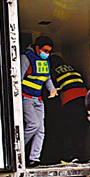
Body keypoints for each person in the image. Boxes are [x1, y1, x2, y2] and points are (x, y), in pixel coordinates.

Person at [48, 55, 90, 163]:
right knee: (79, 129)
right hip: (84, 100)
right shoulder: (72, 69)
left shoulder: (53, 72)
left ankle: (70, 156)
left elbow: (53, 90)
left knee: (66, 129)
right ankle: (78, 155)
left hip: (70, 101)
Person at [20, 36, 59, 167]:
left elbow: (47, 78)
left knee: (41, 129)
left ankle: (34, 158)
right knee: (34, 124)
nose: (47, 54)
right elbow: (17, 78)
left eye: (49, 51)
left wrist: (52, 89)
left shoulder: (45, 61)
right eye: (45, 50)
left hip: (38, 99)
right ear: (37, 48)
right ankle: (18, 150)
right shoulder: (26, 58)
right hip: (26, 98)